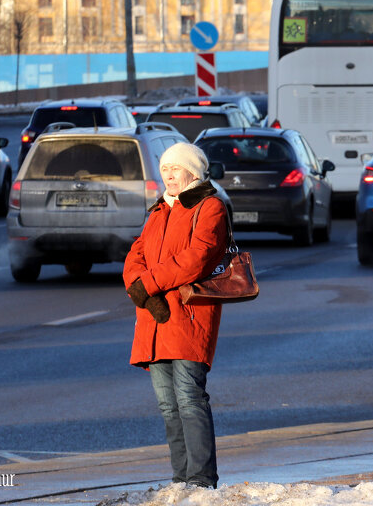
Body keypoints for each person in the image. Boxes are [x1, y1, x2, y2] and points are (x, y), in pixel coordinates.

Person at [123, 142, 228, 488]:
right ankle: (180, 479)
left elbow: (196, 258)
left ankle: (200, 479)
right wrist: (144, 292)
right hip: (156, 320)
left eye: (176, 169)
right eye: (165, 169)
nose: (169, 175)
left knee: (189, 397)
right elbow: (134, 258)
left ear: (193, 173)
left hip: (189, 317)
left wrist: (148, 285)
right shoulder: (157, 212)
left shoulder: (209, 207)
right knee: (168, 405)